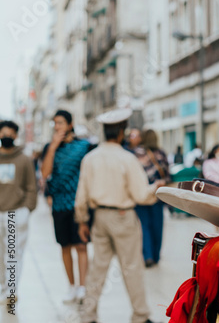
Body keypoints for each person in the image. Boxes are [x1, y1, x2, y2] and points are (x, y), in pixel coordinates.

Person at [75, 108, 163, 323]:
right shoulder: (127, 158)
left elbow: (81, 196)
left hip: (100, 218)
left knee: (98, 269)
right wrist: (156, 189)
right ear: (122, 132)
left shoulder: (90, 158)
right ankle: (140, 316)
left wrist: (82, 221)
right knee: (131, 267)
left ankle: (88, 315)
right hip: (123, 217)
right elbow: (141, 194)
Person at [40, 110, 92, 303]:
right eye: (54, 123)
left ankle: (83, 287)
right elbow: (45, 174)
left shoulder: (84, 146)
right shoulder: (49, 148)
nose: (57, 126)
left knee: (81, 245)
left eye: (60, 122)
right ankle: (71, 286)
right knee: (65, 247)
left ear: (70, 125)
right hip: (59, 205)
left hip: (79, 205)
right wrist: (52, 147)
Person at [0, 121, 37, 305]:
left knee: (13, 254)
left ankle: (11, 291)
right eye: (3, 132)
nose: (6, 135)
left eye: (10, 133)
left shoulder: (24, 159)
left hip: (15, 214)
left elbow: (32, 186)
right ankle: (2, 287)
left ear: (15, 135)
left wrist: (27, 208)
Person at [133, 129, 170, 267]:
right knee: (157, 226)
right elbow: (167, 175)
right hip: (157, 195)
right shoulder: (161, 154)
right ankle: (156, 255)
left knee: (144, 226)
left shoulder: (136, 153)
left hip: (141, 195)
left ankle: (147, 255)